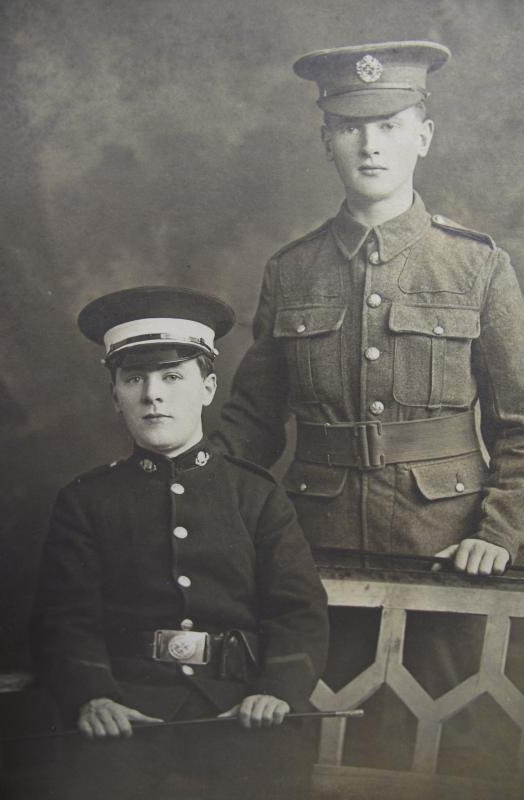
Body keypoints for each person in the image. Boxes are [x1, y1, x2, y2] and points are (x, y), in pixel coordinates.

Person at [211, 41, 524, 768]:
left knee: (441, 749)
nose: (370, 143)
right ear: (326, 140)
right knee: (312, 748)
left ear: (424, 136)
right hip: (314, 552)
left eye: (392, 124)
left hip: (447, 555)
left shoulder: (478, 266)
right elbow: (249, 424)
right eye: (349, 126)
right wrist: (193, 505)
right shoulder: (292, 270)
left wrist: (499, 530)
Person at [31, 285, 329, 800]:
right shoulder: (85, 501)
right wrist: (94, 696)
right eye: (134, 379)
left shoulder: (256, 495)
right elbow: (65, 618)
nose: (153, 395)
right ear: (115, 394)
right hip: (128, 708)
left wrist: (275, 691)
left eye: (173, 377)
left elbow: (298, 612)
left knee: (265, 773)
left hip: (240, 705)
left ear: (208, 388)